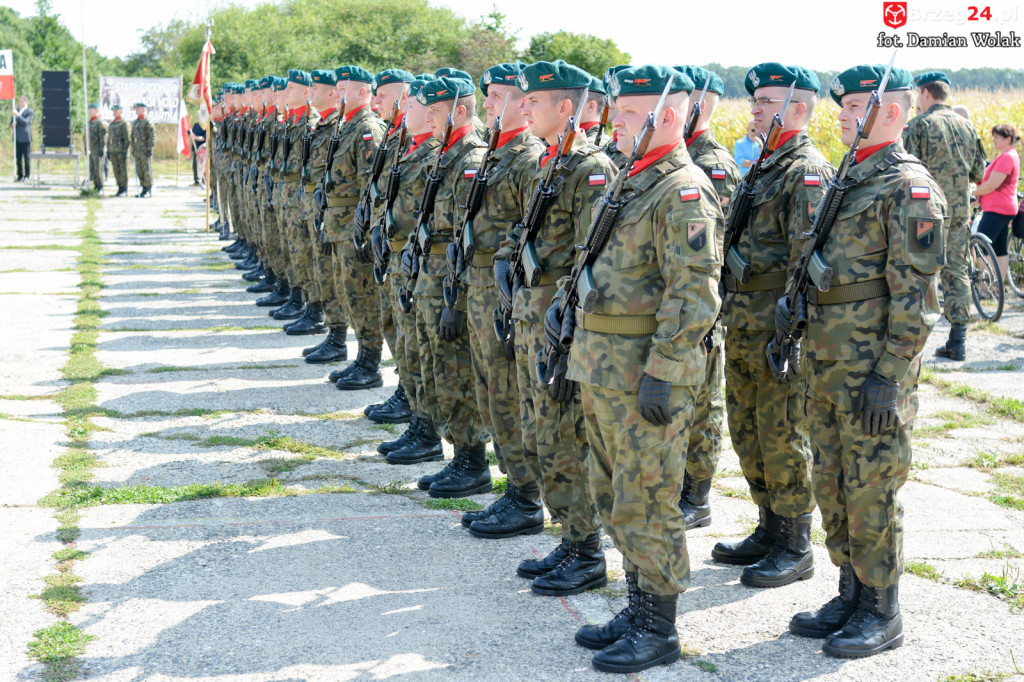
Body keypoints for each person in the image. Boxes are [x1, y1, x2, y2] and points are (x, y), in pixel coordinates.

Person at [562, 64, 722, 674]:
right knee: (615, 493)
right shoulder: (633, 182)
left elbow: (695, 291)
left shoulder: (683, 189)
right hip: (602, 364)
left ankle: (659, 628)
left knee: (649, 498)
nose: (616, 121)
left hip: (643, 373)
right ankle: (636, 606)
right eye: (617, 111)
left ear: (669, 115)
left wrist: (665, 367)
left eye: (629, 113)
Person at [785, 63, 947, 659]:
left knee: (871, 488)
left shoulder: (908, 187)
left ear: (894, 113)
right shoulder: (848, 178)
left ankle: (882, 609)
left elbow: (917, 297)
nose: (845, 115)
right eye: (845, 106)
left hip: (871, 369)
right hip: (826, 363)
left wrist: (890, 375)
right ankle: (850, 591)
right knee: (830, 481)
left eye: (857, 106)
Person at [494, 60, 617, 597]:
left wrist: (571, 333)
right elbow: (526, 228)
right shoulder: (551, 161)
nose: (524, 107)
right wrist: (506, 258)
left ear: (566, 107)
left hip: (560, 325)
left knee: (567, 438)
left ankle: (587, 549)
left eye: (535, 100)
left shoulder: (590, 170)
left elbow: (595, 258)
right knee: (541, 434)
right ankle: (569, 537)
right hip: (532, 315)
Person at [714, 62, 834, 589]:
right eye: (756, 99)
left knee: (782, 431)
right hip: (743, 318)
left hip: (774, 323)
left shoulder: (804, 168)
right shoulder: (766, 161)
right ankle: (768, 525)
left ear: (798, 109)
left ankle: (795, 542)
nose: (755, 108)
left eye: (766, 101)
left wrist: (791, 332)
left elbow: (805, 257)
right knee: (748, 429)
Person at [456, 62, 546, 536]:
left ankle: (527, 496)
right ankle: (513, 486)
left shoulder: (529, 158)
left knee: (509, 396)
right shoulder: (497, 151)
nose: (486, 103)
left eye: (494, 95)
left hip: (507, 289)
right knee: (491, 392)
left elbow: (534, 229)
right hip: (481, 282)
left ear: (520, 100)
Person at [672, 64, 742, 530]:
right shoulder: (676, 155)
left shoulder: (711, 162)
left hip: (706, 302)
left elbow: (720, 244)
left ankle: (697, 494)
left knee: (703, 403)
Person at [903, 71, 986, 362]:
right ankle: (958, 339)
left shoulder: (918, 126)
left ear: (925, 93)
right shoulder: (967, 126)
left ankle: (910, 340)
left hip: (925, 213)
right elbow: (980, 173)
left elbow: (903, 171)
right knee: (957, 272)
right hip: (959, 212)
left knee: (918, 271)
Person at [321, 65, 388, 390]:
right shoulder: (346, 126)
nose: (337, 94)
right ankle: (361, 356)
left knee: (362, 296)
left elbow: (370, 187)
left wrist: (365, 231)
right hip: (340, 225)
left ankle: (371, 362)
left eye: (343, 88)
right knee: (348, 293)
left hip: (354, 228)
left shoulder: (367, 128)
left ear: (362, 92)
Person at [973, 124, 1021, 280]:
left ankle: (986, 287)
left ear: (1008, 140)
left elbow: (993, 184)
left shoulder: (1007, 157)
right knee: (999, 249)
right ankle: (997, 287)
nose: (993, 140)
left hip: (997, 209)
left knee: (981, 245)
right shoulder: (1008, 155)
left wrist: (972, 193)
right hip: (1003, 208)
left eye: (997, 138)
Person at [131, 102, 155, 197]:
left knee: (146, 170)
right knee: (139, 170)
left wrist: (149, 149)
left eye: (139, 108)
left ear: (144, 109)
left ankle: (148, 188)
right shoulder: (135, 122)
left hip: (145, 150)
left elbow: (151, 137)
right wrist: (133, 148)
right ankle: (143, 189)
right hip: (137, 151)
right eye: (136, 108)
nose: (137, 110)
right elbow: (133, 137)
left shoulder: (147, 122)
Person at [107, 104, 130, 197]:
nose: (115, 112)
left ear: (121, 111)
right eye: (114, 110)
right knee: (116, 170)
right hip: (113, 151)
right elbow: (109, 138)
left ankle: (124, 189)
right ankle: (119, 188)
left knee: (123, 170)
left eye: (117, 110)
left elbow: (127, 138)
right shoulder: (112, 123)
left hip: (121, 150)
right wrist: (108, 150)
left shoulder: (123, 123)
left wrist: (125, 151)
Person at [12, 95, 33, 181]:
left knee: (26, 158)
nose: (20, 103)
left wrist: (18, 116)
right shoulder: (17, 110)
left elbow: (26, 122)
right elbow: (12, 121)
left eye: (21, 101)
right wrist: (12, 124)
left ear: (26, 102)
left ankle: (27, 176)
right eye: (19, 101)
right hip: (17, 138)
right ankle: (20, 175)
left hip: (25, 138)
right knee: (18, 158)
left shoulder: (29, 111)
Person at [87, 103, 106, 193]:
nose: (90, 111)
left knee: (99, 169)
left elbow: (102, 137)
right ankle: (96, 186)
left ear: (97, 110)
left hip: (98, 149)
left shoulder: (99, 122)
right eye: (89, 110)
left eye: (92, 109)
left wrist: (102, 149)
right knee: (93, 169)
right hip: (92, 149)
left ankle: (101, 186)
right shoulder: (90, 122)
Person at [190, 121, 206, 185]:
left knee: (203, 165)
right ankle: (196, 180)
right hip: (196, 149)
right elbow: (191, 132)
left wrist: (194, 137)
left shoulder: (205, 125)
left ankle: (203, 180)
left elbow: (203, 138)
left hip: (203, 150)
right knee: (195, 165)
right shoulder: (196, 125)